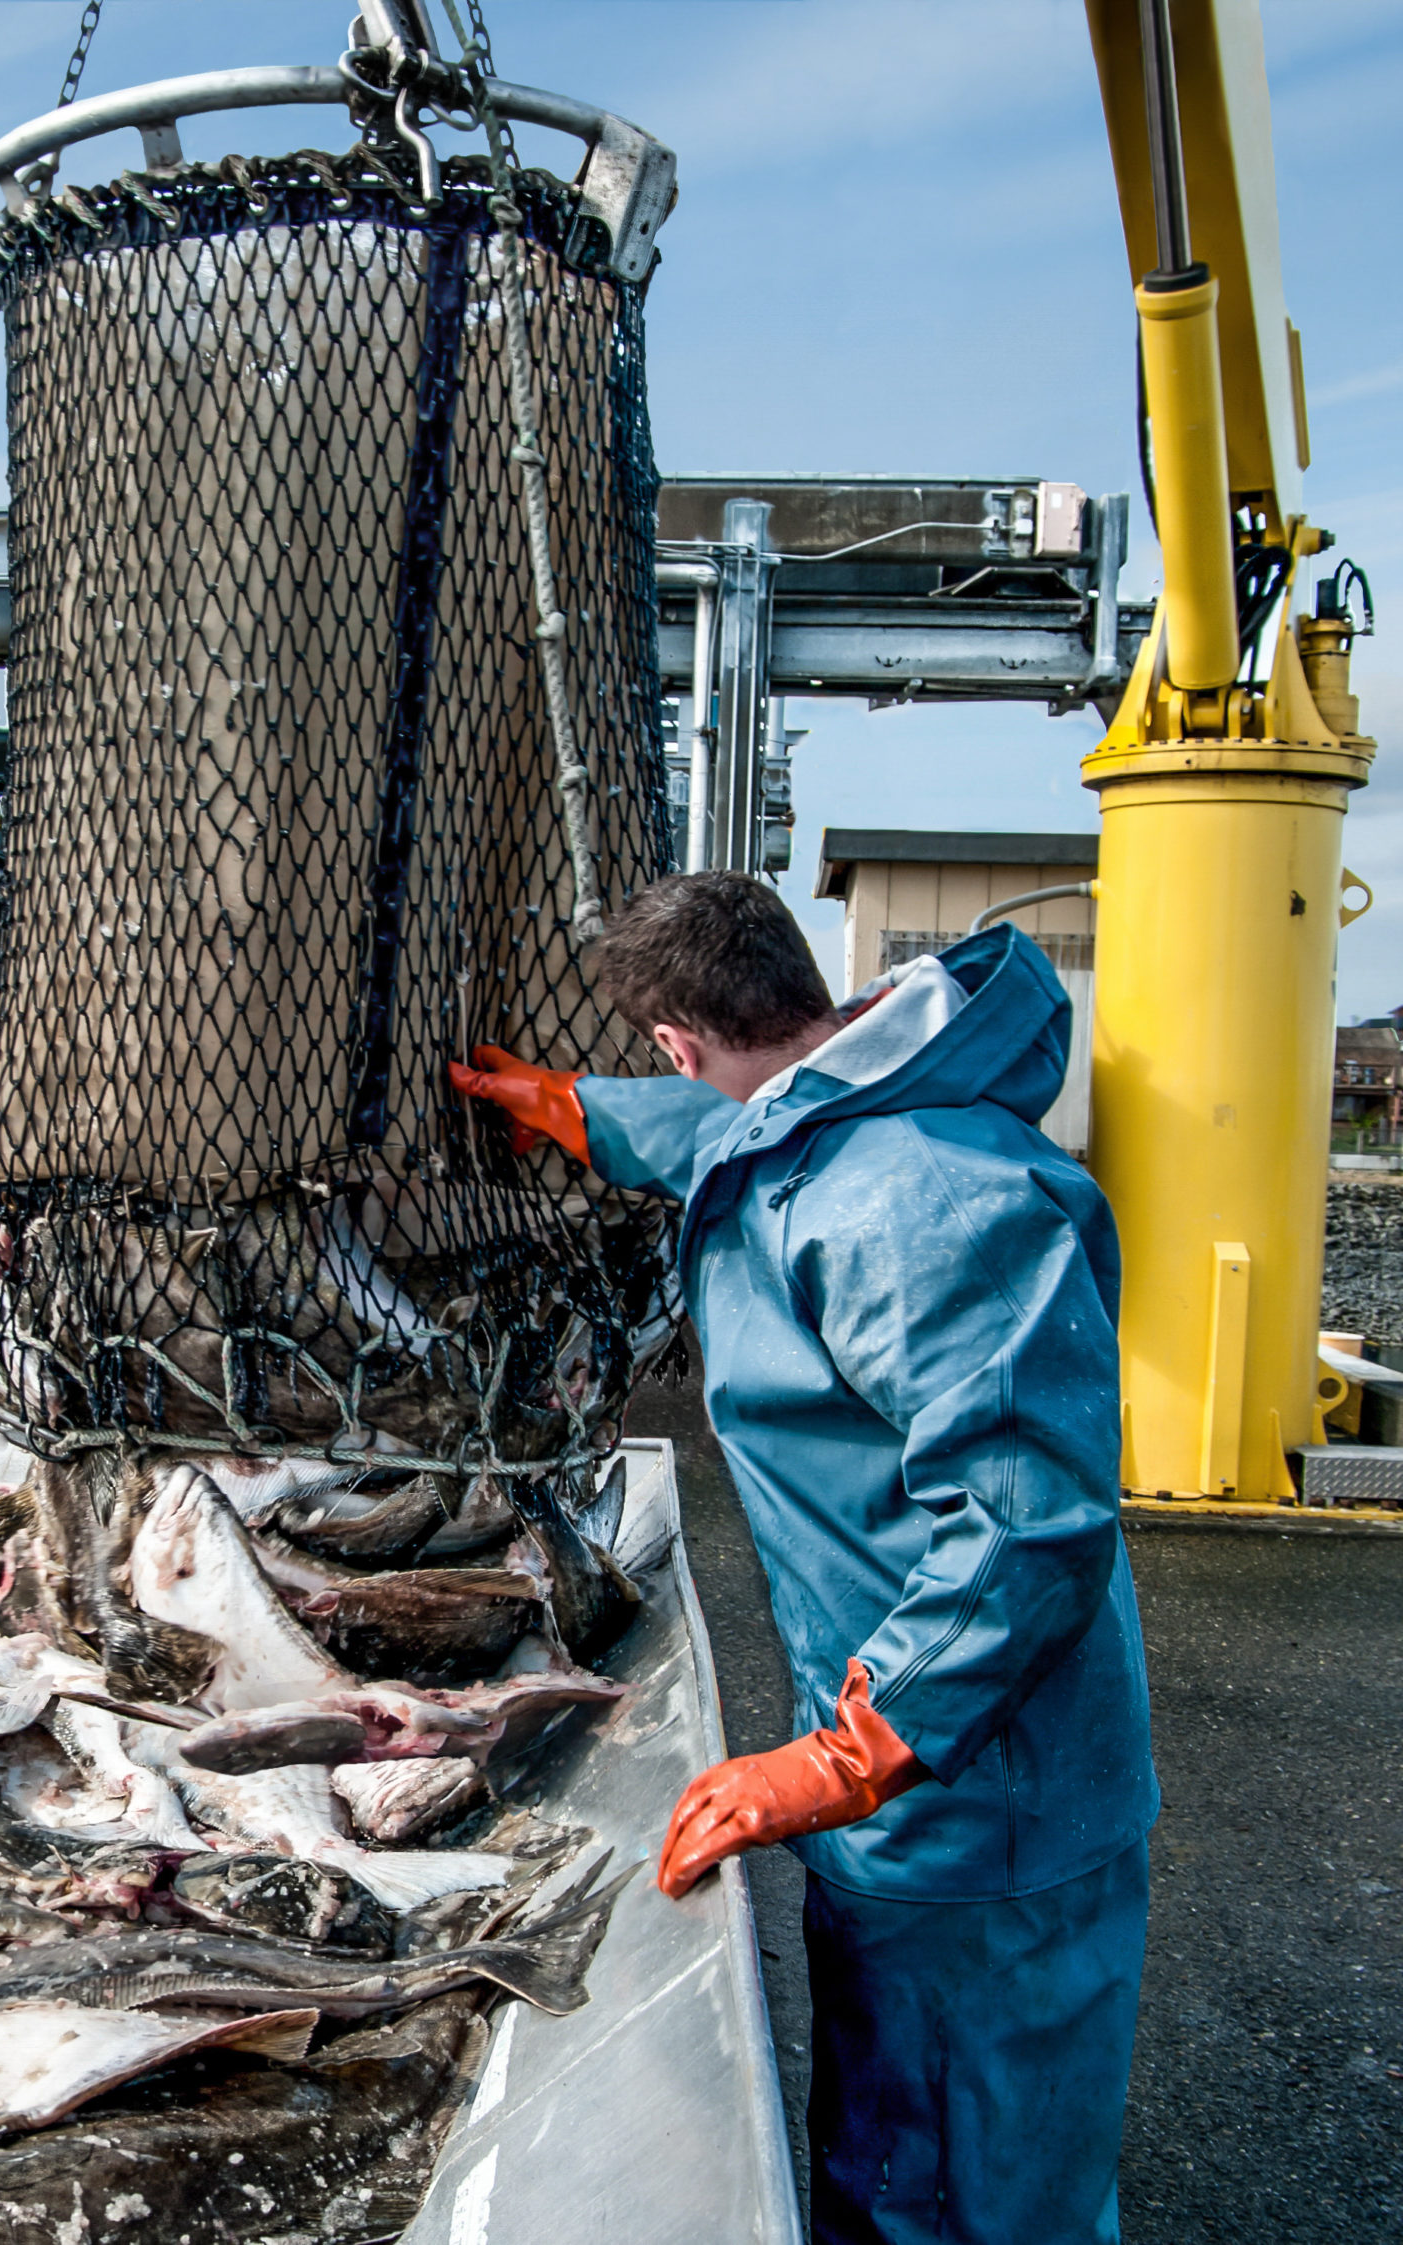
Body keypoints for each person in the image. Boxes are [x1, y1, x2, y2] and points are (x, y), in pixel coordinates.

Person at [452, 872, 1157, 2245]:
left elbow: (1028, 1523)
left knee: (969, 2178)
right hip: (912, 1774)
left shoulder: (922, 1204)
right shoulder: (848, 1081)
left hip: (977, 1792)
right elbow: (739, 1130)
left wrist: (852, 1752)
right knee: (897, 2126)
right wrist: (580, 1111)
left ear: (679, 1036)